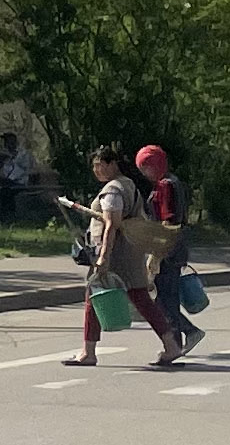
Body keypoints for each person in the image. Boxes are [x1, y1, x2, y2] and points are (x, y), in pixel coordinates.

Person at [64, 145, 184, 369]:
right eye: (94, 166)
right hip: (130, 252)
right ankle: (171, 345)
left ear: (112, 164)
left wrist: (104, 256)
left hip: (116, 253)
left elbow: (111, 225)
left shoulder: (113, 190)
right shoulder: (127, 184)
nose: (97, 170)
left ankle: (88, 352)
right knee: (140, 298)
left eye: (100, 165)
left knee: (94, 294)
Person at [137, 143, 204, 353]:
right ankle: (178, 341)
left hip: (168, 247)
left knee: (164, 299)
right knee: (165, 298)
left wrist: (156, 253)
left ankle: (182, 337)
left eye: (146, 166)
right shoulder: (171, 182)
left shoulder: (165, 185)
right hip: (175, 246)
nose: (144, 172)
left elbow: (169, 221)